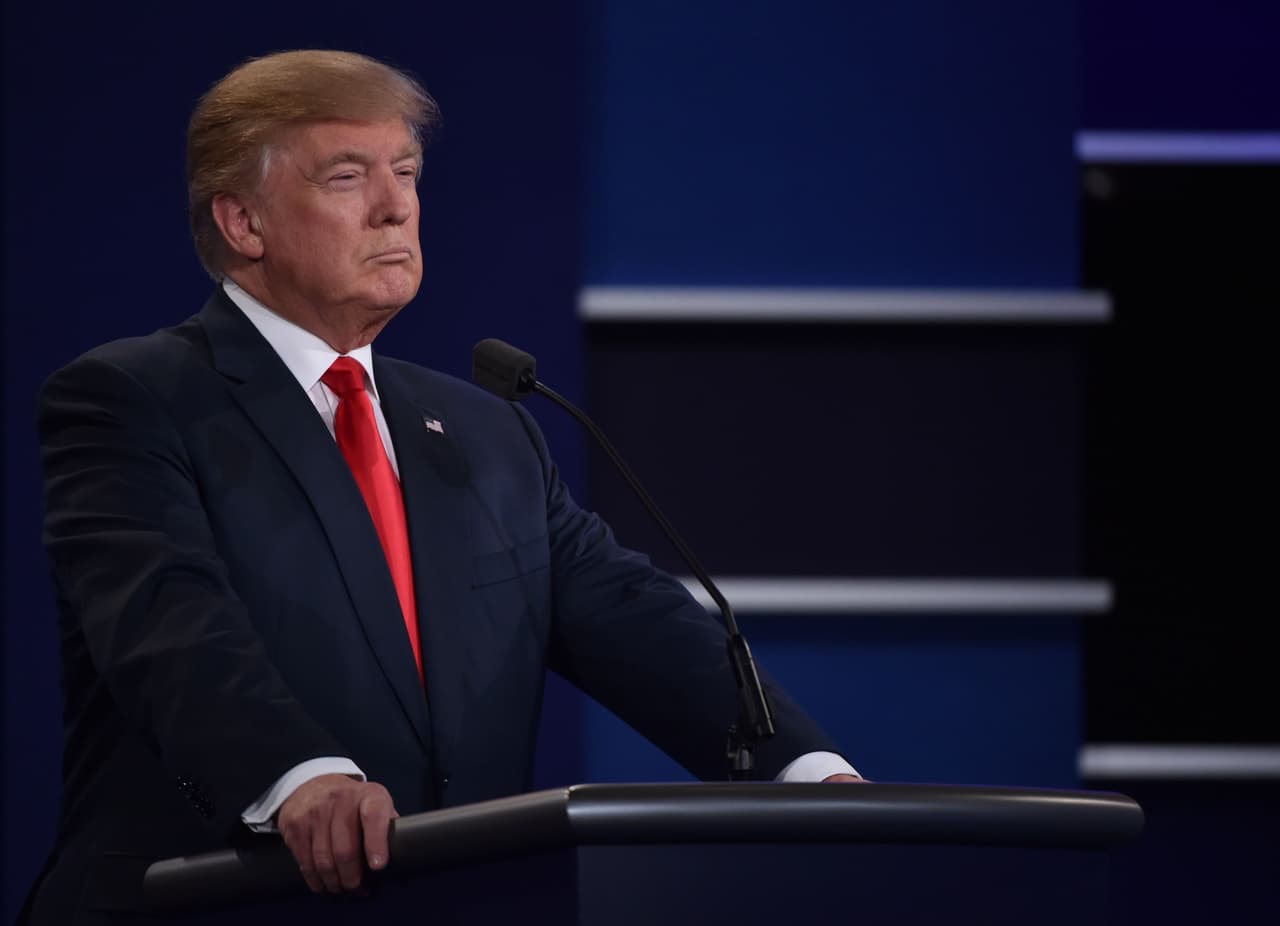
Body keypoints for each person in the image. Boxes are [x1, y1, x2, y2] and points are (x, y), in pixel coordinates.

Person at [23, 49, 859, 923]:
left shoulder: (486, 428)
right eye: (348, 177)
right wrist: (300, 775)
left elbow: (631, 616)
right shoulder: (134, 396)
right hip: (219, 898)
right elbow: (169, 622)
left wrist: (807, 775)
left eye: (407, 173)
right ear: (243, 222)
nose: (396, 206)